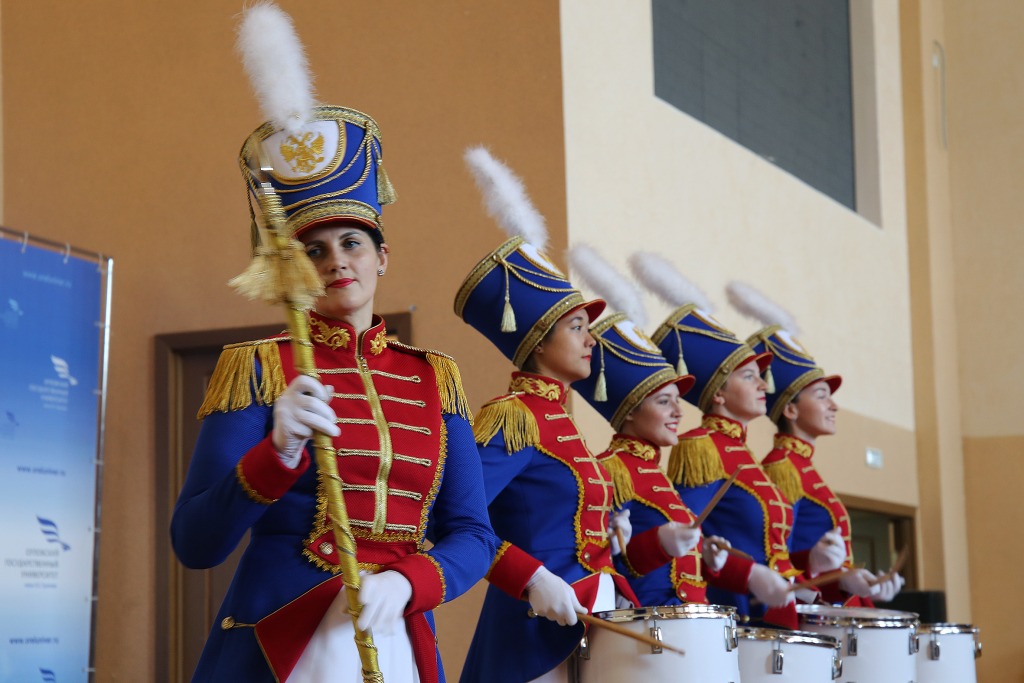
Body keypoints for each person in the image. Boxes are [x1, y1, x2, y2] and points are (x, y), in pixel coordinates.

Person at [170, 7, 495, 681]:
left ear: (382, 257)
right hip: (281, 643)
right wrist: (277, 452)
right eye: (313, 250)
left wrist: (408, 582)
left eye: (352, 242)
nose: (336, 260)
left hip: (398, 640)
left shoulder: (435, 377)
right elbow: (195, 542)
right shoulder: (257, 368)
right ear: (293, 268)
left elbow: (473, 533)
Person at [455, 149, 639, 683]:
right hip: (530, 634)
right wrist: (529, 576)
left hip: (589, 624)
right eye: (577, 327)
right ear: (538, 341)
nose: (590, 341)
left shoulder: (563, 423)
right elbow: (458, 516)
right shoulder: (514, 419)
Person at [566, 247, 795, 612]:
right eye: (663, 402)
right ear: (630, 411)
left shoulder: (654, 472)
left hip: (687, 622)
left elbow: (682, 564)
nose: (677, 412)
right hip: (652, 626)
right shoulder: (611, 470)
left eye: (677, 400)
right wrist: (657, 543)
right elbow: (604, 565)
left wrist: (714, 559)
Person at [629, 253, 844, 629]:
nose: (763, 384)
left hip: (774, 616)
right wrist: (746, 574)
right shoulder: (702, 448)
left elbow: (772, 554)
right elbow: (688, 537)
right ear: (718, 394)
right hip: (741, 620)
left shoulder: (743, 454)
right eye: (748, 376)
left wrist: (813, 568)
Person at [744, 319, 906, 605]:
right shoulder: (782, 468)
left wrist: (854, 581)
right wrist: (818, 567)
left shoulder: (801, 465)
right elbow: (778, 556)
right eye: (822, 396)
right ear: (791, 410)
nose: (834, 406)